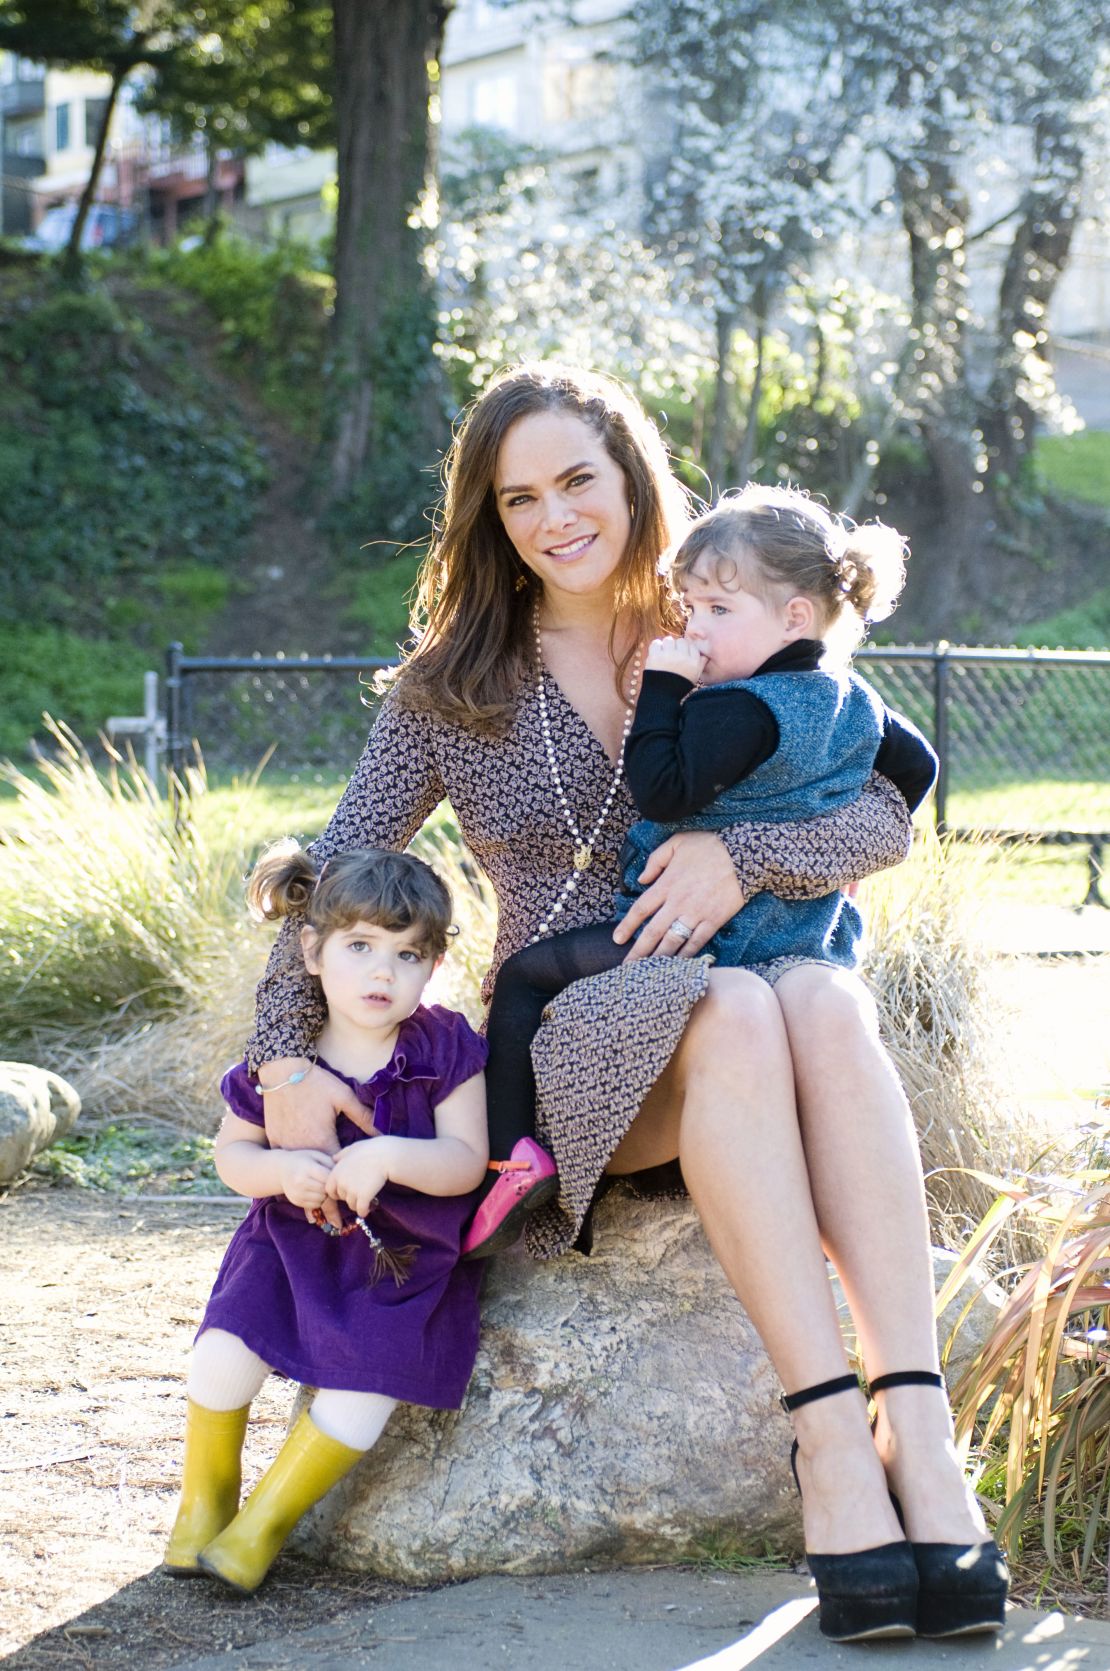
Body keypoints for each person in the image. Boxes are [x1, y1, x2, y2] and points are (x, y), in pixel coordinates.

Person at [247, 363, 1007, 1641]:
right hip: (575, 1033)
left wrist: (743, 856)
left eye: (578, 481)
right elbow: (340, 862)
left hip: (764, 1012)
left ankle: (917, 1436)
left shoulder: (724, 612)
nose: (555, 517)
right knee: (748, 1005)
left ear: (632, 475)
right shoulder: (455, 682)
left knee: (822, 994)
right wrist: (282, 1053)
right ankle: (829, 1441)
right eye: (520, 496)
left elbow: (883, 805)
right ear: (488, 518)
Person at [472, 485, 938, 1220]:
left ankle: (509, 1163)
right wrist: (829, 847)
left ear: (794, 616)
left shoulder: (733, 705)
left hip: (692, 938)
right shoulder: (857, 700)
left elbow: (661, 790)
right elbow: (917, 773)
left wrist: (662, 688)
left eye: (718, 611)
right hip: (799, 945)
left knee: (527, 977)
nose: (696, 630)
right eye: (690, 608)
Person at [163, 845, 488, 1594]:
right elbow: (232, 1152)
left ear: (433, 966)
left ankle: (262, 1526)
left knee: (362, 1392)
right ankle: (203, 1501)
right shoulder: (288, 1056)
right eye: (361, 946)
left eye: (408, 955)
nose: (383, 973)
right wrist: (279, 1170)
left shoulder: (442, 1047)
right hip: (285, 1245)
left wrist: (390, 1157)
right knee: (218, 1358)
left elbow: (466, 1160)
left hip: (398, 1261)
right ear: (312, 950)